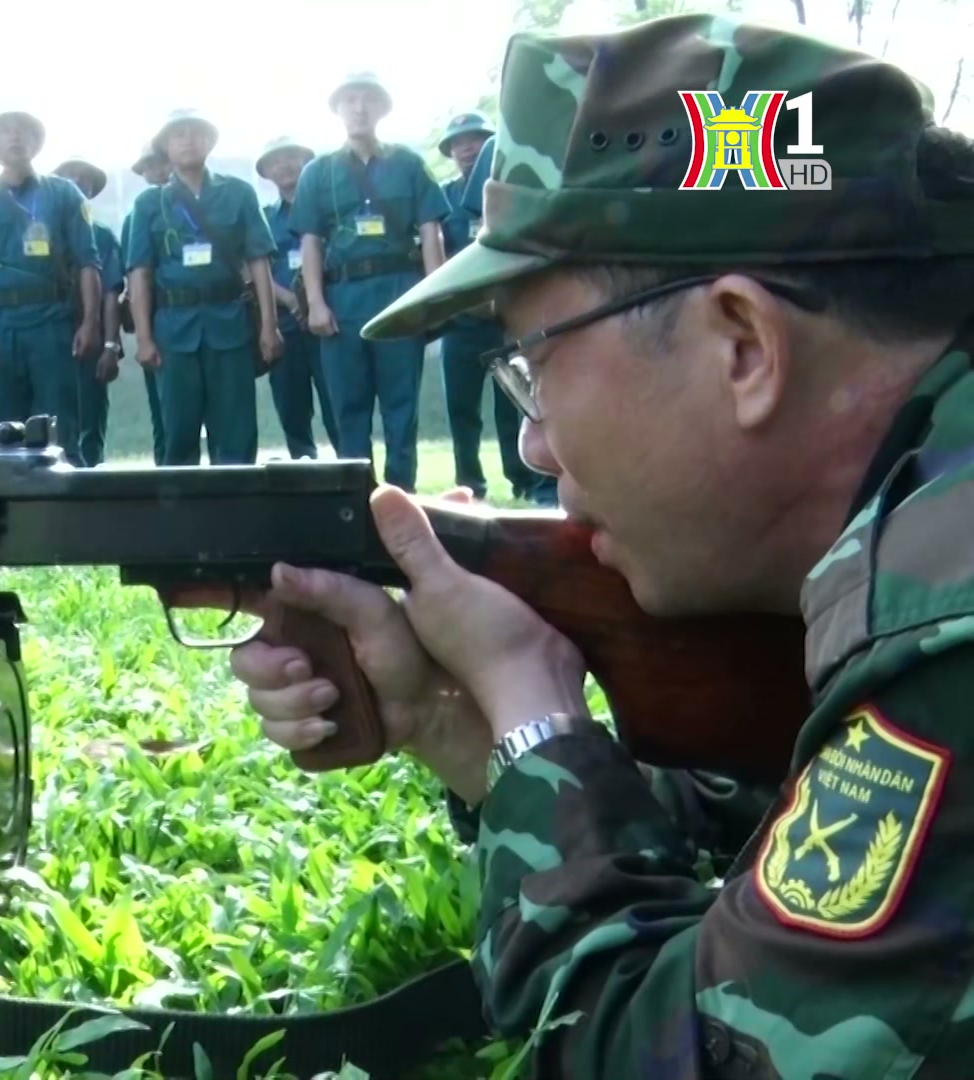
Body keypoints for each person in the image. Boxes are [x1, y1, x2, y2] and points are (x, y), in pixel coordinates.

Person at [232, 14, 974, 1074]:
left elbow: (670, 1057)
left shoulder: (946, 618)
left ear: (742, 344)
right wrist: (464, 724)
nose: (532, 439)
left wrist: (532, 713)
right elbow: (795, 840)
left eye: (532, 364)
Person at [291, 72, 447, 490]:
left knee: (401, 407)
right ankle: (356, 503)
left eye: (367, 100)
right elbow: (310, 240)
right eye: (350, 100)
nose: (359, 108)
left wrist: (433, 295)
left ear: (382, 109)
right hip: (342, 300)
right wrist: (316, 302)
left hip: (400, 294)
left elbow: (431, 229)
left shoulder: (409, 164)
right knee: (349, 408)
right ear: (338, 110)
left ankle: (402, 497)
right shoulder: (317, 173)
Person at [124, 109, 283, 467]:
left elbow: (259, 262)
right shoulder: (148, 204)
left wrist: (269, 327)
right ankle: (180, 522)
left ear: (210, 141)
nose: (188, 140)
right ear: (165, 146)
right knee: (178, 435)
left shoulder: (238, 193)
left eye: (196, 133)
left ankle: (235, 518)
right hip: (173, 330)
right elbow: (140, 273)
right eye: (178, 134)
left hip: (230, 325)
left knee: (236, 435)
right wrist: (145, 338)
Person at [0, 111, 101, 464]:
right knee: (7, 433)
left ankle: (67, 514)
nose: (15, 137)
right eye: (5, 132)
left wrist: (90, 323)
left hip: (52, 322)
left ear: (36, 143)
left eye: (23, 132)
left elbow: (88, 262)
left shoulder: (64, 193)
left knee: (61, 430)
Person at [433, 112, 551, 506]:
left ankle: (524, 480)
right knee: (461, 409)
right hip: (460, 323)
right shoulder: (443, 199)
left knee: (513, 403)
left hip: (501, 320)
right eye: (460, 142)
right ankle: (471, 483)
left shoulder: (506, 193)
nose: (468, 147)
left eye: (476, 139)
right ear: (450, 151)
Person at [256, 135, 339, 460]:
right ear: (266, 172)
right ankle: (304, 470)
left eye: (292, 156)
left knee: (338, 404)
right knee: (292, 407)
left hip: (328, 323)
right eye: (276, 160)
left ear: (307, 161)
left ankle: (349, 470)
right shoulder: (262, 218)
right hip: (284, 327)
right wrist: (291, 300)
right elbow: (251, 270)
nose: (285, 165)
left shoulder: (329, 213)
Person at [51, 157, 124, 466]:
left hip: (89, 337)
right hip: (48, 336)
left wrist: (110, 345)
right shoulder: (43, 233)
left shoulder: (103, 236)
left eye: (84, 179)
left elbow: (111, 292)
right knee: (50, 419)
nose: (76, 183)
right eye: (67, 177)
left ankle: (91, 487)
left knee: (90, 422)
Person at [123, 142, 171, 465]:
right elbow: (133, 276)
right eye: (148, 167)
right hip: (156, 323)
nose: (156, 172)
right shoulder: (137, 214)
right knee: (164, 413)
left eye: (160, 164)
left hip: (197, 317)